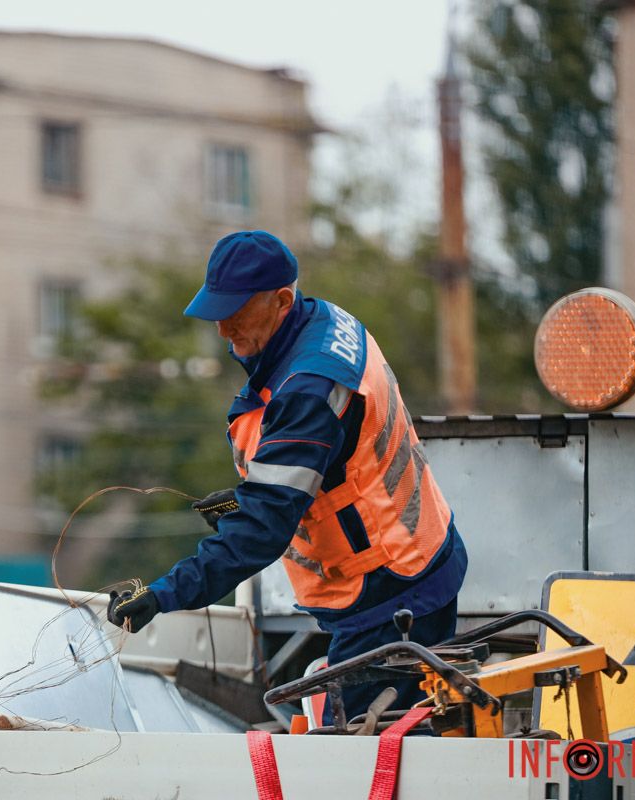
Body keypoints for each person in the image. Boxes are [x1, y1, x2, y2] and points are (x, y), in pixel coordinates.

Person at [107, 230, 467, 724]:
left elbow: (262, 532)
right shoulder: (319, 323)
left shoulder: (308, 387)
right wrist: (247, 499)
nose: (222, 328)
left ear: (280, 301)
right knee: (397, 747)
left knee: (365, 765)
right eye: (216, 310)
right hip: (415, 561)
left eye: (235, 311)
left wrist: (165, 593)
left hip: (390, 593)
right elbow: (327, 469)